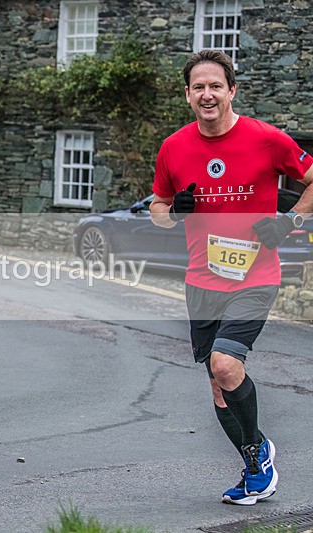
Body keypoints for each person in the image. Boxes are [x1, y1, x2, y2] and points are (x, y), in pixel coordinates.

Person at [150, 50, 313, 506]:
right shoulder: (173, 147)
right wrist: (173, 210)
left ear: (232, 91)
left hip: (255, 276)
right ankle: (255, 461)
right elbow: (158, 208)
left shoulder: (266, 139)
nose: (208, 95)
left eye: (216, 86)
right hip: (202, 282)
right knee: (219, 387)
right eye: (199, 87)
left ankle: (257, 455)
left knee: (225, 364)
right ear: (188, 95)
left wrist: (290, 221)